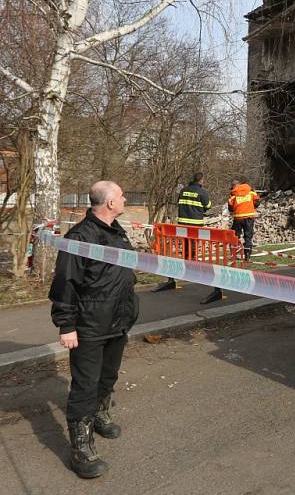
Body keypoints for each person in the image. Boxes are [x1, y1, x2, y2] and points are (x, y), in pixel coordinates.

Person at [49, 181, 139, 479]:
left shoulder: (117, 231)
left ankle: (100, 414)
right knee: (84, 386)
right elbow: (65, 284)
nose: (125, 198)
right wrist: (66, 325)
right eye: (122, 195)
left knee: (108, 376)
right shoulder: (80, 237)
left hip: (118, 321)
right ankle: (81, 447)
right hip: (89, 325)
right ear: (111, 203)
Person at [154, 171, 212, 292]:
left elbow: (179, 203)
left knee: (185, 244)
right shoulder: (202, 192)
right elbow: (208, 206)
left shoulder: (183, 190)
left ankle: (186, 264)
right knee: (194, 245)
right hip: (195, 223)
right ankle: (192, 267)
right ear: (201, 180)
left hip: (183, 222)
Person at [228, 178, 261, 261]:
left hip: (238, 218)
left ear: (234, 186)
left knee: (235, 236)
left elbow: (230, 208)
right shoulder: (250, 191)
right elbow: (257, 203)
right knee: (248, 237)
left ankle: (233, 255)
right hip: (249, 217)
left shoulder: (233, 195)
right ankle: (247, 256)